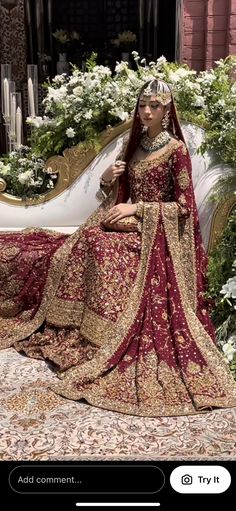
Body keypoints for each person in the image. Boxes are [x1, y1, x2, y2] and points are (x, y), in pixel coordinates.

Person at [0, 79, 236, 417]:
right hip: (125, 223)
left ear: (167, 110)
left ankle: (104, 332)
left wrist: (136, 209)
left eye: (154, 106)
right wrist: (108, 178)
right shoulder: (134, 143)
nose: (146, 111)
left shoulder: (176, 151)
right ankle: (78, 327)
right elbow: (116, 192)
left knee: (105, 249)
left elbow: (183, 207)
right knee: (87, 242)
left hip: (154, 233)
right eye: (142, 105)